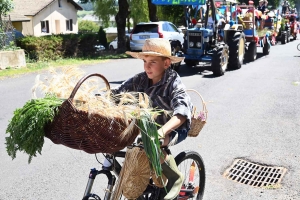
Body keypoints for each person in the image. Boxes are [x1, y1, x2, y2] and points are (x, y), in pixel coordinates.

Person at [104, 38, 193, 200]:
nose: (147, 66)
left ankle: (175, 177)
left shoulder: (173, 81)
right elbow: (117, 93)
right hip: (147, 126)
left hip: (174, 126)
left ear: (166, 63)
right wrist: (94, 100)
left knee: (152, 140)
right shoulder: (140, 79)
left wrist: (162, 131)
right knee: (127, 143)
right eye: (144, 61)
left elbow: (181, 111)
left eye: (152, 62)